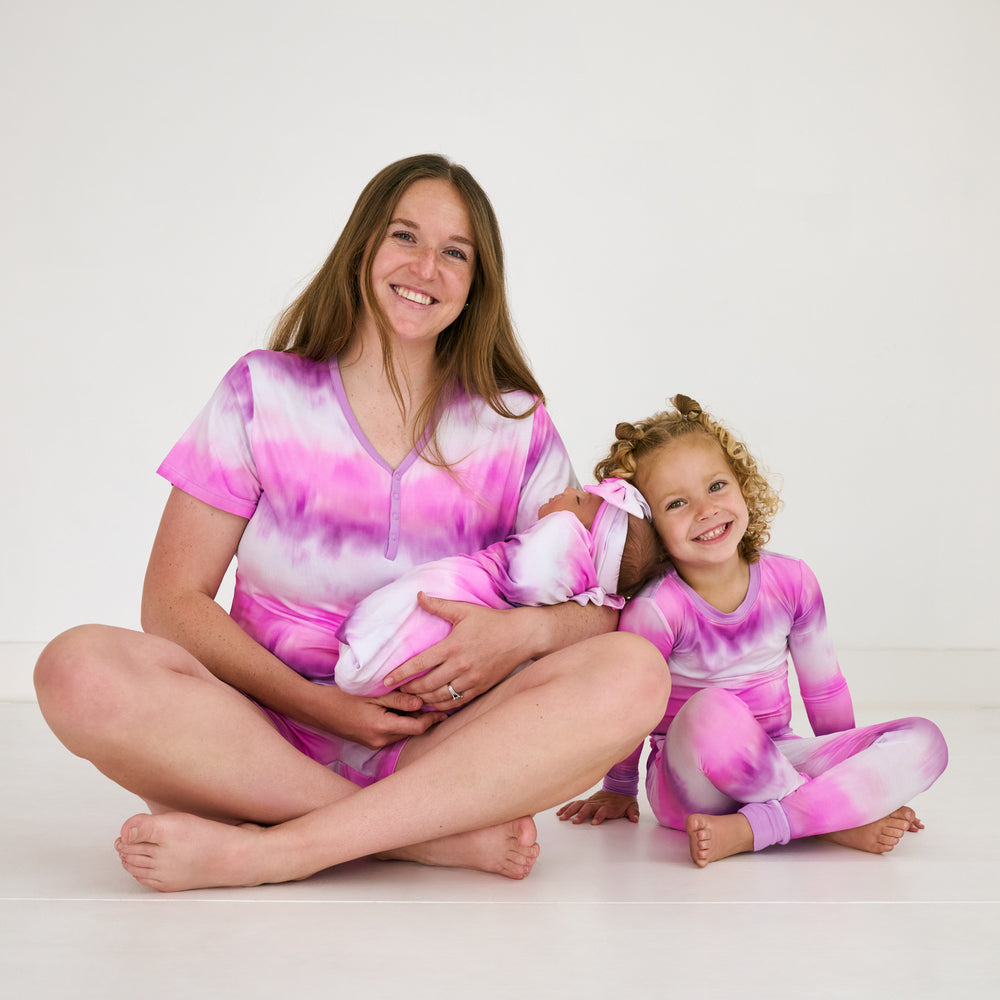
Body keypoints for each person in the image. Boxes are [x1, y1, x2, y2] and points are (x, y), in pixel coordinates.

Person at [33, 154, 669, 891]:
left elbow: (599, 607)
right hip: (253, 733)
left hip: (438, 742)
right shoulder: (261, 390)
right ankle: (417, 838)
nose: (425, 268)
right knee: (76, 669)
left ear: (477, 283)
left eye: (455, 253)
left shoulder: (515, 421)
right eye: (405, 236)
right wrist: (317, 706)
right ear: (364, 245)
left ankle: (273, 847)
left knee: (633, 674)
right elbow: (171, 603)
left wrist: (518, 636)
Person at [558, 394, 947, 867]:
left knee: (925, 740)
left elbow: (825, 691)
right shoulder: (658, 609)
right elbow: (627, 706)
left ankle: (762, 825)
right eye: (677, 503)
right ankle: (827, 820)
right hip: (690, 782)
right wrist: (619, 787)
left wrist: (846, 763)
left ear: (742, 485)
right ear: (649, 527)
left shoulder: (793, 580)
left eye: (716, 486)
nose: (706, 510)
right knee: (711, 709)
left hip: (779, 757)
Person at [336, 477, 660, 698]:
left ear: (583, 541)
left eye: (577, 499)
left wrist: (560, 530)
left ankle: (364, 661)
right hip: (475, 601)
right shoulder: (587, 591)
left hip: (469, 588)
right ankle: (367, 665)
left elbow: (527, 579)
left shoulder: (562, 538)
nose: (566, 489)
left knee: (423, 604)